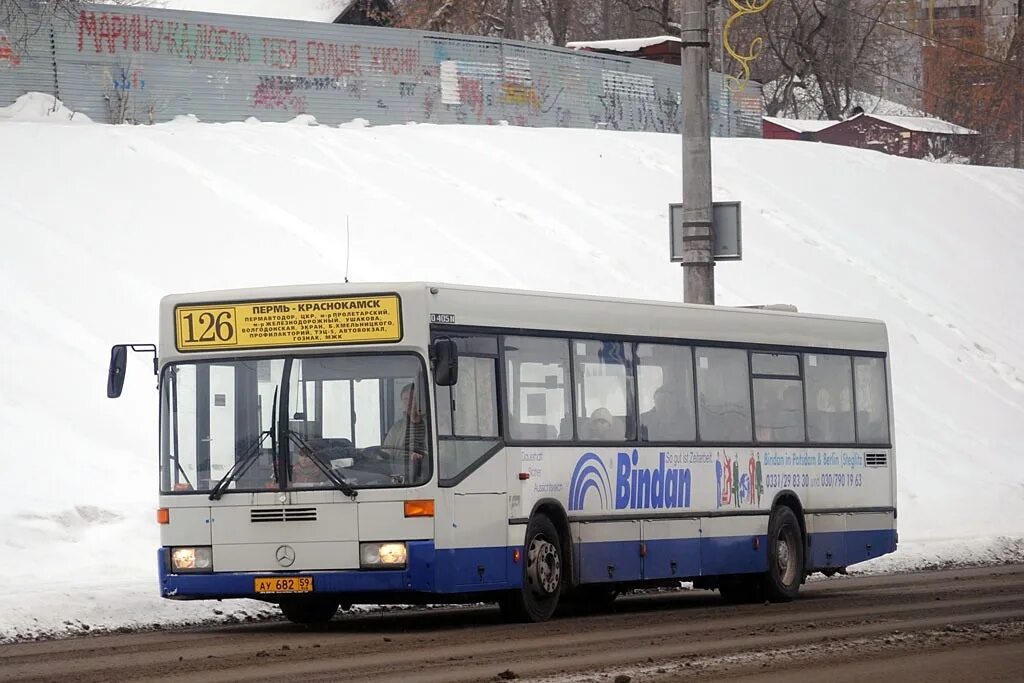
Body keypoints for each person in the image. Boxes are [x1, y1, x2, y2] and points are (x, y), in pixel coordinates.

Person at [382, 383, 427, 479]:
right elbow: (386, 454)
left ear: (420, 401)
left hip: (426, 476)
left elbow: (444, 455)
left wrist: (424, 457)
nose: (409, 403)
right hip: (400, 477)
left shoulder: (434, 425)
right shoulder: (396, 428)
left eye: (413, 398)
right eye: (406, 399)